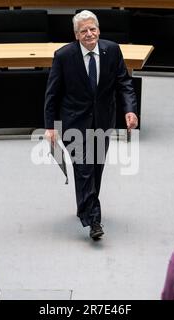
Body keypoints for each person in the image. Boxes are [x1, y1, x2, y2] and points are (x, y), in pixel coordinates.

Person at [44, 10, 138, 240]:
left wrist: (130, 110)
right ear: (76, 35)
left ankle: (83, 207)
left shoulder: (112, 50)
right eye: (83, 31)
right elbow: (52, 94)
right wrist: (50, 126)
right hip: (74, 123)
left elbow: (123, 82)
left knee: (95, 168)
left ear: (98, 30)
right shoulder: (64, 56)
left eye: (92, 29)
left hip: (103, 120)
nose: (89, 34)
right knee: (84, 167)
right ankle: (93, 220)